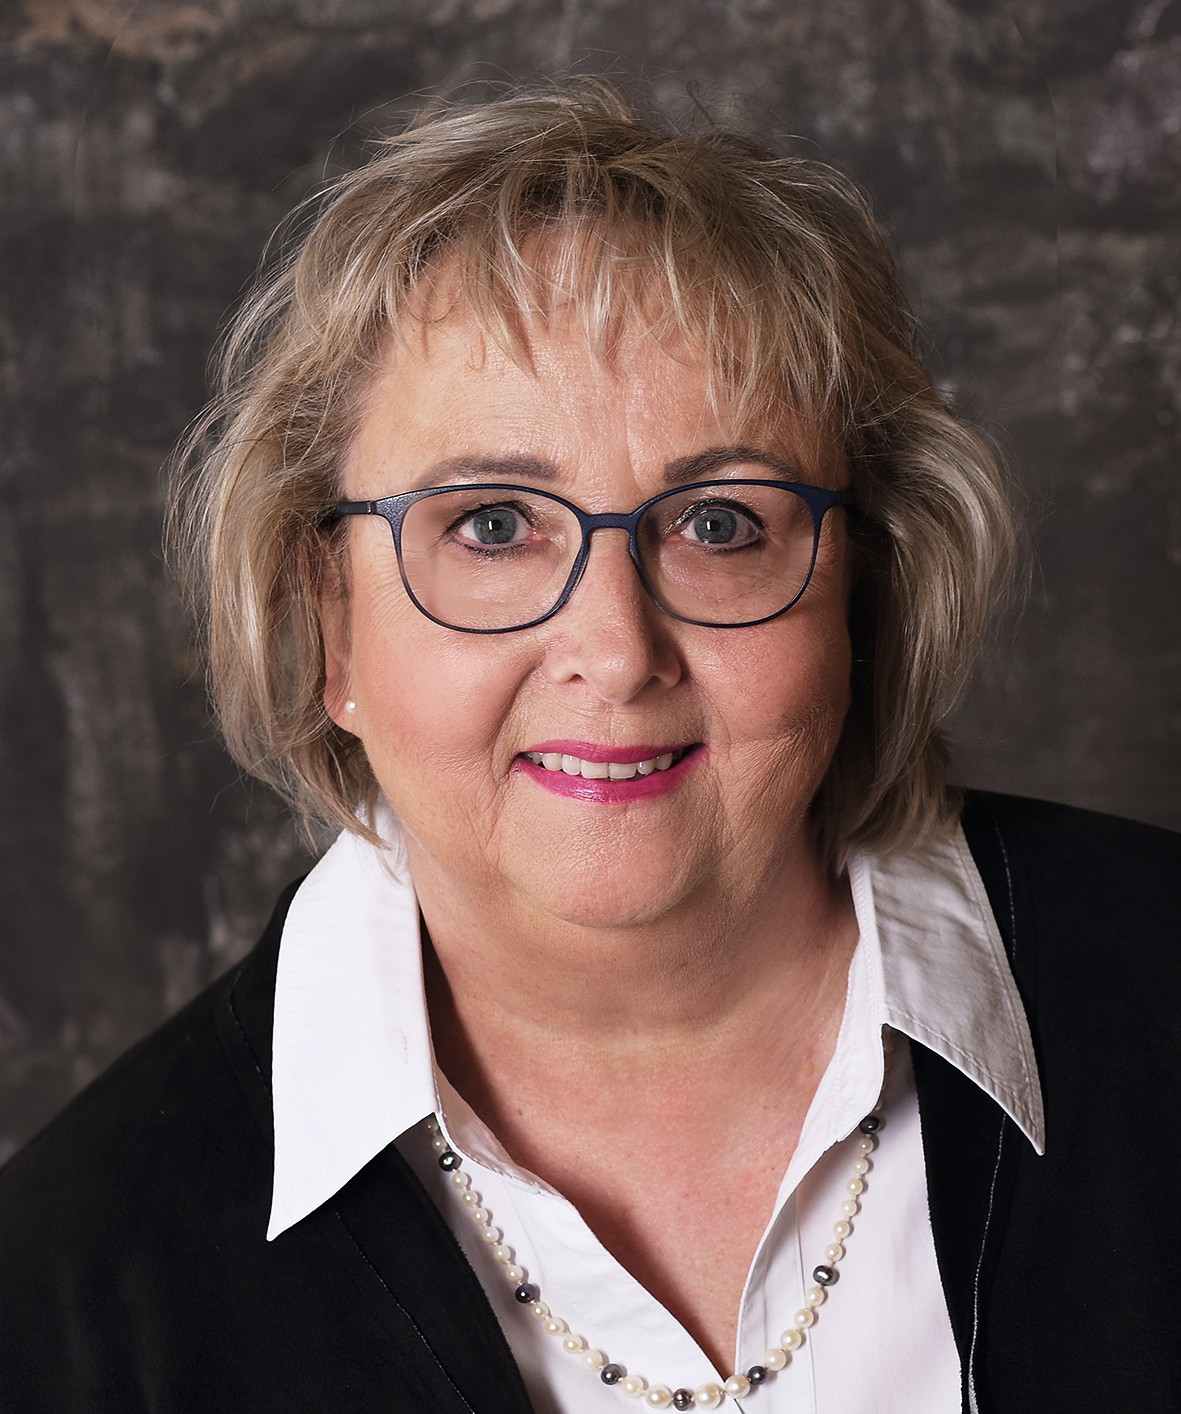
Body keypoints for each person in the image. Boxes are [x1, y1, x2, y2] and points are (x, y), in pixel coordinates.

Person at [1, 79, 1178, 1414]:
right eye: (492, 526)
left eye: (721, 523)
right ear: (329, 622)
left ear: (865, 590)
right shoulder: (72, 1302)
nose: (616, 651)